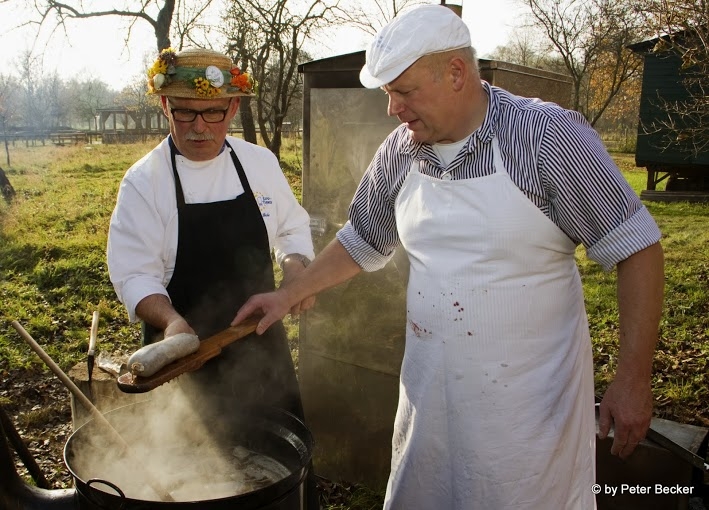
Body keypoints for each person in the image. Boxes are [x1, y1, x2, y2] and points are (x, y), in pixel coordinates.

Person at [233, 5, 665, 510]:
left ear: (456, 73)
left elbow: (636, 247)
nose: (392, 109)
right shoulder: (401, 150)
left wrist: (633, 378)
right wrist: (290, 295)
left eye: (404, 91)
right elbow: (362, 239)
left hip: (527, 415)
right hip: (429, 403)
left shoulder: (546, 138)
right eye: (388, 94)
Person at [106, 47, 318, 507]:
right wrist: (172, 323)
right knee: (190, 479)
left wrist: (296, 271)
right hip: (181, 355)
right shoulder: (144, 182)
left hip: (261, 346)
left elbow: (291, 228)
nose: (199, 127)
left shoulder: (259, 164)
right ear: (165, 107)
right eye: (185, 113)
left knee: (278, 473)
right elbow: (134, 272)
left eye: (212, 113)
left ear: (233, 108)